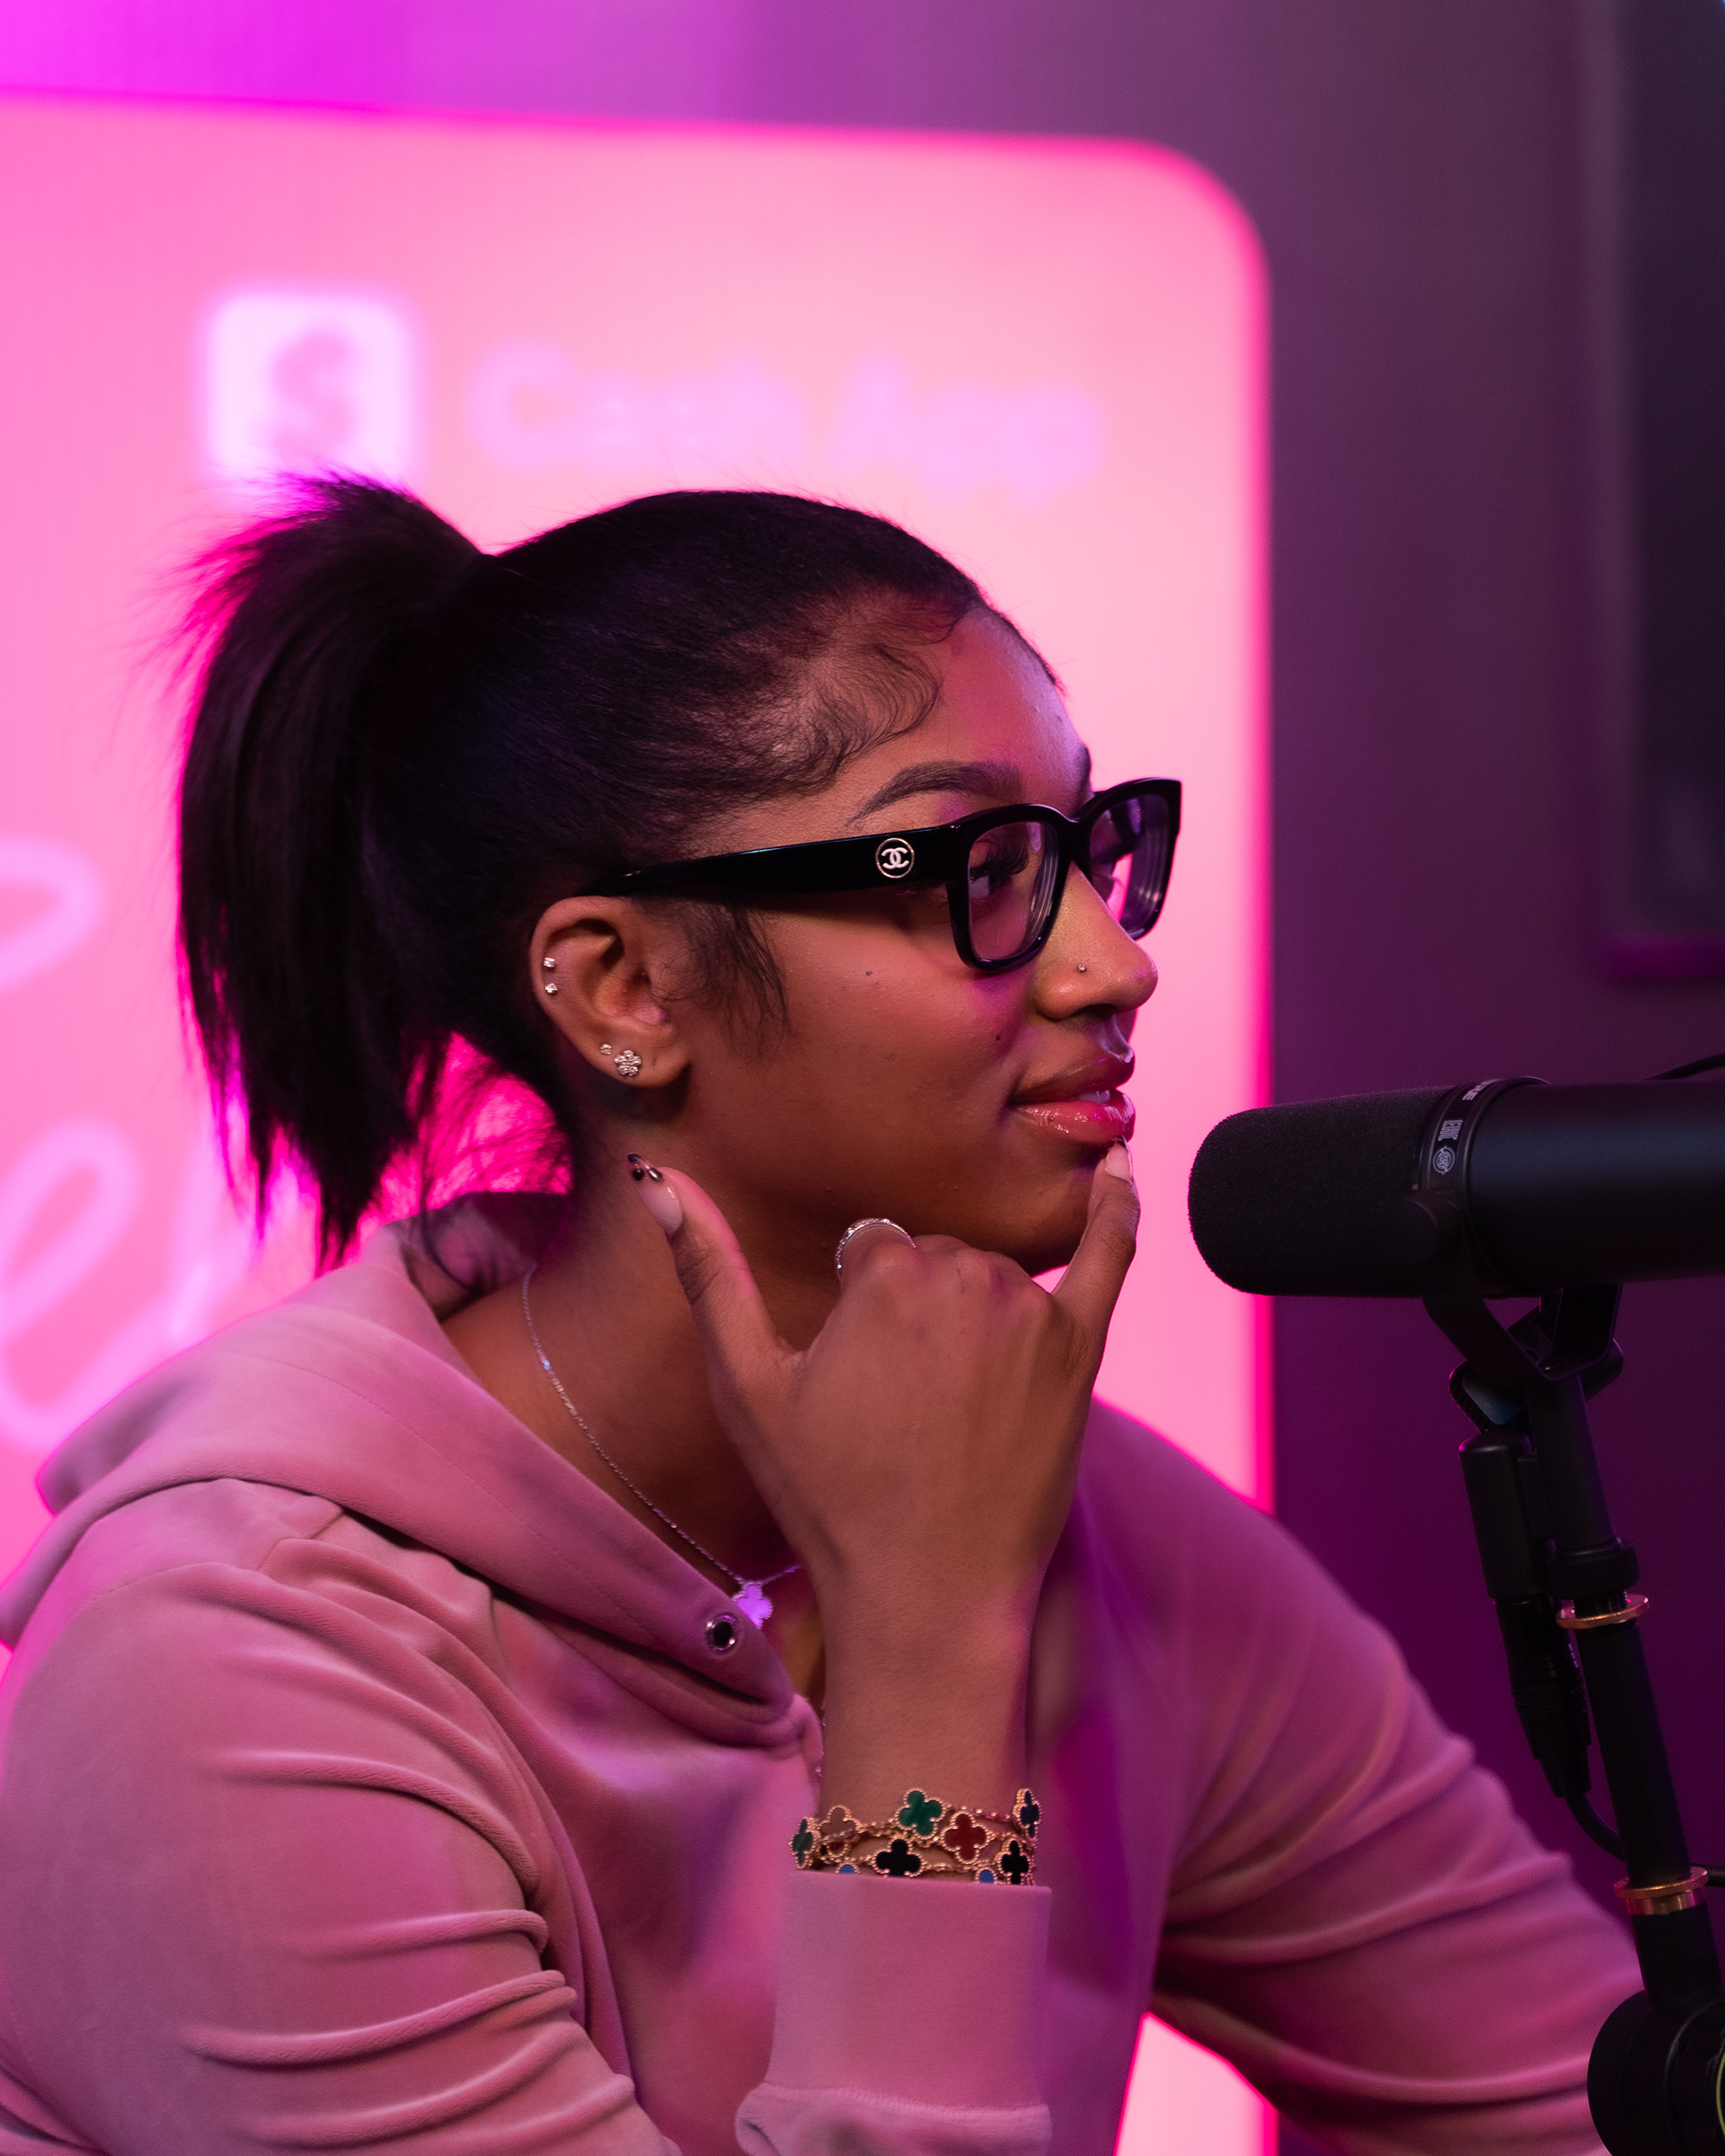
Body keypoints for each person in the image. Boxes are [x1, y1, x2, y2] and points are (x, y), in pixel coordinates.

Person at [0, 482, 1634, 2156]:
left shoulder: (1100, 1537)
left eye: (1088, 850)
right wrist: (930, 1645)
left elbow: (1588, 2106)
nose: (1111, 967)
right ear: (628, 988)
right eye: (981, 870)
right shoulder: (232, 1663)